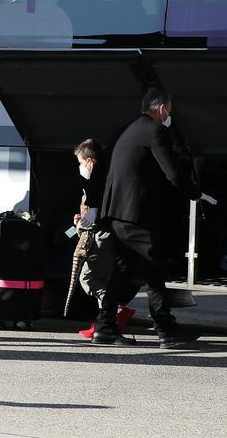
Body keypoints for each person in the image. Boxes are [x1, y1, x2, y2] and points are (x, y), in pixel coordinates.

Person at [93, 87, 215, 348]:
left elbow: (101, 170)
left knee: (122, 270)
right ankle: (165, 330)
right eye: (169, 111)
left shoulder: (123, 130)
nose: (169, 116)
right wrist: (195, 193)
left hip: (116, 211)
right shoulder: (156, 131)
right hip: (134, 213)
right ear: (161, 109)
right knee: (154, 267)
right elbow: (171, 171)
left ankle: (105, 328)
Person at [71, 138, 135, 339]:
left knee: (87, 278)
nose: (80, 167)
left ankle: (114, 312)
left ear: (90, 161)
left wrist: (76, 226)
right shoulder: (104, 179)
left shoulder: (95, 184)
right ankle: (105, 319)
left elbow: (91, 218)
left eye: (81, 162)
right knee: (101, 278)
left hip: (100, 237)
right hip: (103, 235)